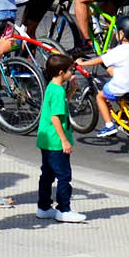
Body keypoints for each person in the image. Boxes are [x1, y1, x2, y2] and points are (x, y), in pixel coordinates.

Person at [37, 53, 87, 222]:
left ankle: (43, 207)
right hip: (56, 141)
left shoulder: (52, 87)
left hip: (46, 140)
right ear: (60, 73)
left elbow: (61, 106)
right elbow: (56, 117)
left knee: (47, 174)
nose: (71, 73)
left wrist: (71, 90)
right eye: (69, 71)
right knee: (64, 176)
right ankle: (64, 209)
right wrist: (64, 140)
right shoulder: (58, 92)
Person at [80, 15, 129, 140]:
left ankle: (109, 126)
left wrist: (82, 63)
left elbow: (100, 60)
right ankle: (125, 115)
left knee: (100, 96)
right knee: (114, 73)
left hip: (123, 84)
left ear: (122, 33)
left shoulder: (118, 51)